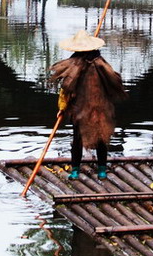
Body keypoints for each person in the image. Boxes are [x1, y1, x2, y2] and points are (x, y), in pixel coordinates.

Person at [49, 30, 127, 180]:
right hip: (90, 107)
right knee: (91, 138)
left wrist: (62, 107)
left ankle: (83, 170)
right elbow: (67, 89)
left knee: (86, 139)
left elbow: (65, 90)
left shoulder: (87, 64)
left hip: (90, 107)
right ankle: (91, 170)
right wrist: (62, 108)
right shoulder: (90, 63)